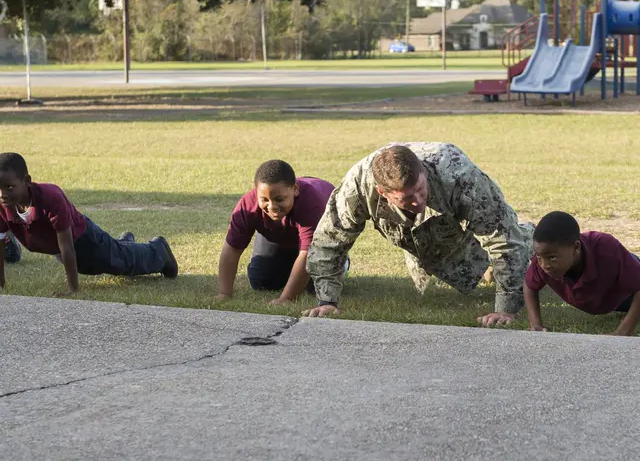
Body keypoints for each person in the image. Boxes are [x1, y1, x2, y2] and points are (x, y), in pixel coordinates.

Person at [303, 142, 533, 324]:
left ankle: (533, 236)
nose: (418, 201)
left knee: (514, 242)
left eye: (420, 190)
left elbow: (502, 239)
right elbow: (329, 242)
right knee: (448, 275)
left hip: (452, 216)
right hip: (410, 234)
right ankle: (483, 268)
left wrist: (506, 309)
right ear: (382, 192)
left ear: (423, 173)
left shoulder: (459, 175)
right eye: (406, 199)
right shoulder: (357, 186)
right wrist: (327, 301)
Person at [0, 152, 178, 296]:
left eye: (9, 187)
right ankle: (123, 244)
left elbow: (67, 246)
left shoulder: (51, 198)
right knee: (111, 256)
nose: (3, 194)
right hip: (64, 251)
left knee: (123, 263)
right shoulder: (3, 205)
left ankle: (159, 251)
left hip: (86, 241)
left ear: (27, 181)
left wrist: (73, 289)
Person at [216, 159, 336, 305]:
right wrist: (224, 293)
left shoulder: (312, 204)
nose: (272, 206)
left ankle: (341, 261)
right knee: (262, 280)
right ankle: (290, 259)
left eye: (279, 199)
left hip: (323, 227)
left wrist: (285, 299)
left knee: (315, 285)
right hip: (280, 232)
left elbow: (307, 255)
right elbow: (232, 249)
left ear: (295, 189)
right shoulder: (248, 206)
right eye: (264, 199)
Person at [525, 211, 640, 336]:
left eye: (552, 257)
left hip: (627, 289)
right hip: (606, 299)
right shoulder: (543, 258)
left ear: (576, 248)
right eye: (539, 256)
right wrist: (535, 325)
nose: (544, 265)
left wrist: (623, 331)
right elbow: (529, 286)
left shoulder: (606, 249)